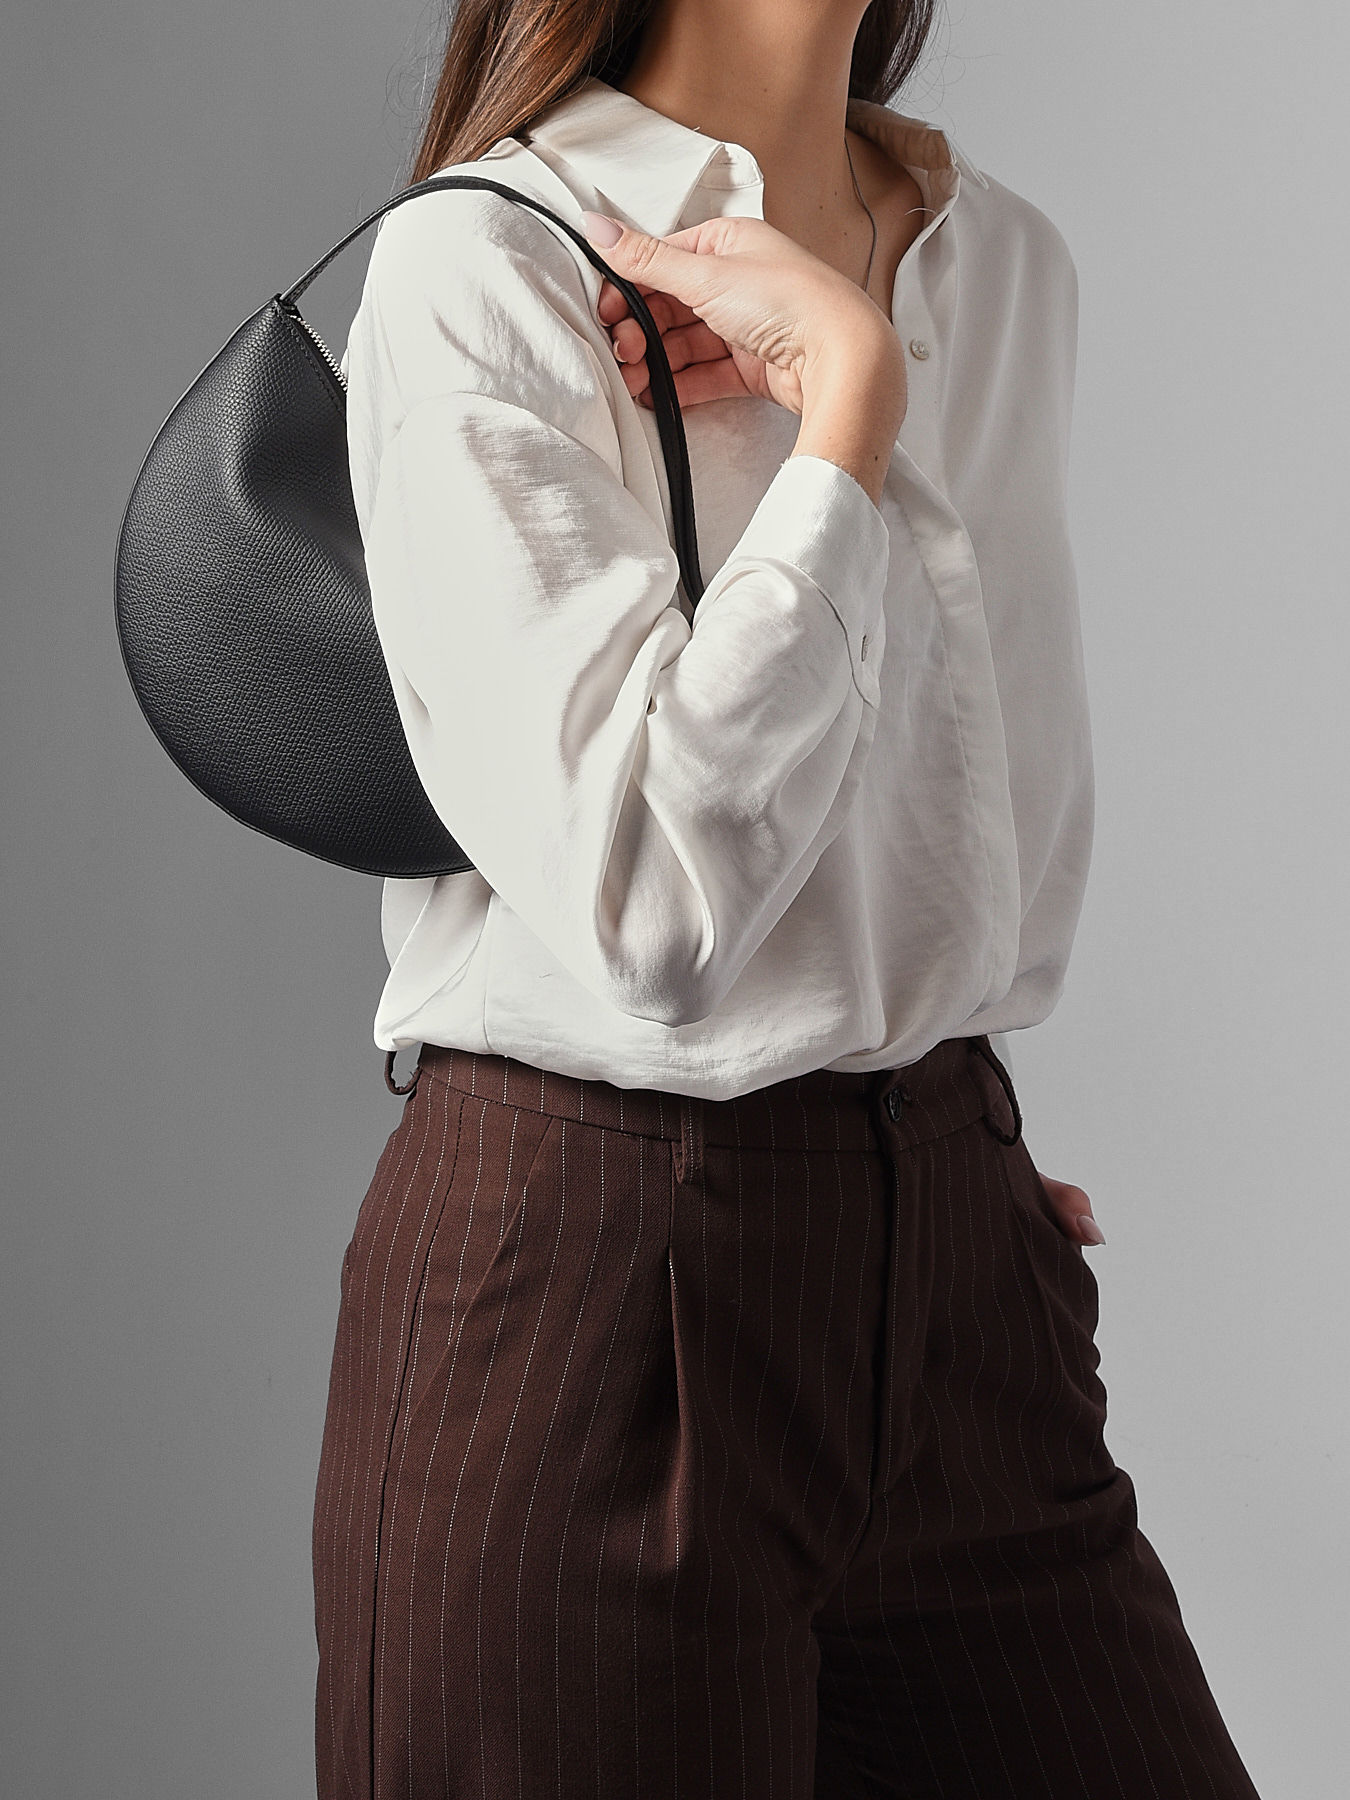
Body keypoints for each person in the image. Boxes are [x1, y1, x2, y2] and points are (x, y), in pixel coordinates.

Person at [311, 3, 1263, 1795]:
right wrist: (845, 414)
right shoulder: (490, 264)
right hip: (587, 1303)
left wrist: (923, 1160)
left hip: (959, 1284)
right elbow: (650, 905)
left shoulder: (999, 260)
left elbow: (955, 807)